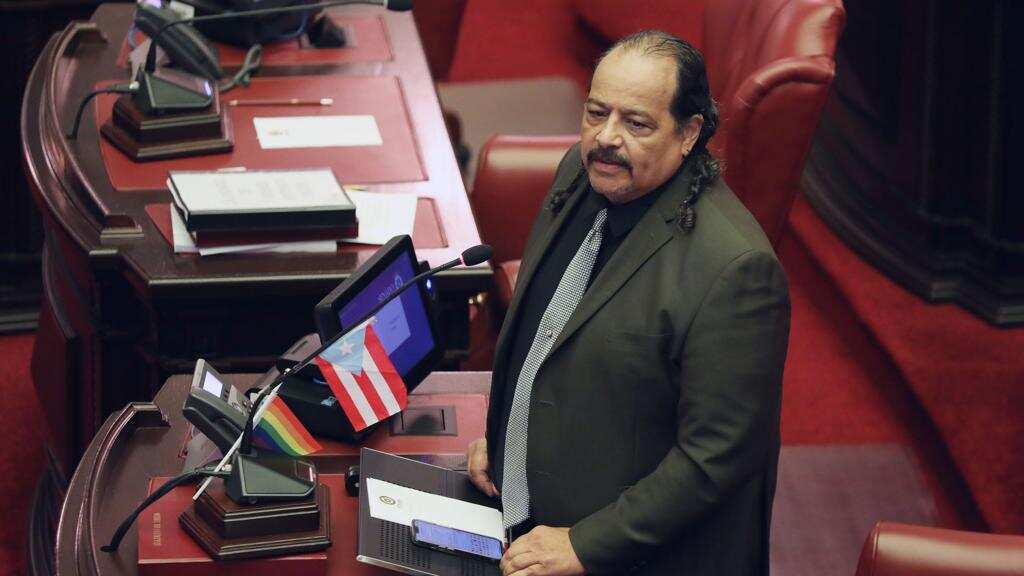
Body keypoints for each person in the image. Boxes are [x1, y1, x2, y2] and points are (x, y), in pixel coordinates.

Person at [466, 30, 791, 575]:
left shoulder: (737, 272)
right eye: (596, 112)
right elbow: (546, 328)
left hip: (632, 555)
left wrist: (587, 545)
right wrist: (507, 436)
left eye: (636, 123)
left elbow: (715, 461)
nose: (605, 138)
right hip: (530, 516)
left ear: (689, 133)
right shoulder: (583, 169)